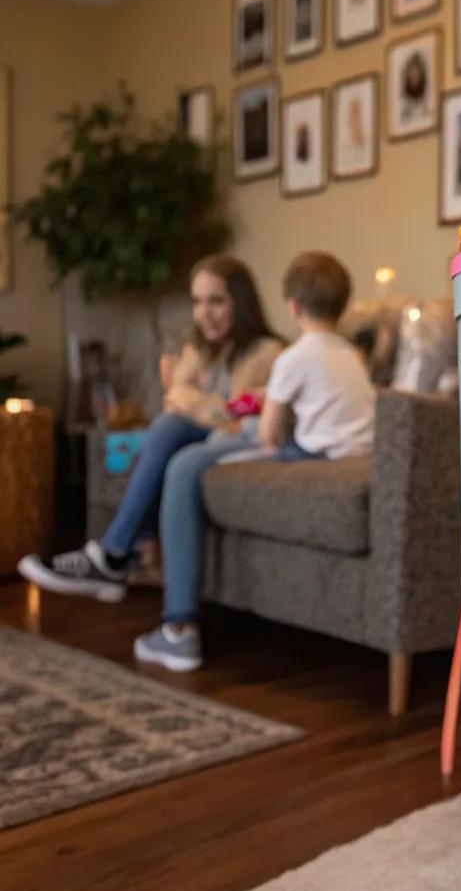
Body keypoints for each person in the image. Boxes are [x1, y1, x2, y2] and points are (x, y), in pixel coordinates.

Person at [19, 255, 282, 672]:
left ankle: (114, 556)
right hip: (208, 438)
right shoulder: (204, 349)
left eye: (216, 302)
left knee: (170, 428)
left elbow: (232, 415)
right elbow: (181, 398)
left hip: (245, 444)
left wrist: (195, 401)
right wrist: (199, 402)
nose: (204, 314)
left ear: (241, 302)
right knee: (168, 428)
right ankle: (118, 558)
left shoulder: (267, 352)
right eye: (197, 302)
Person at [259, 251, 375, 461]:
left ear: (294, 306)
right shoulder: (353, 356)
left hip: (322, 457)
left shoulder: (291, 358)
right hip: (364, 454)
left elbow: (269, 434)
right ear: (342, 307)